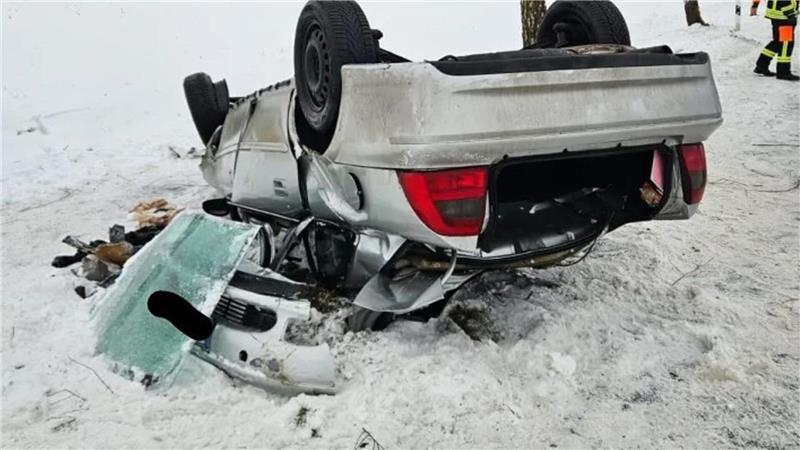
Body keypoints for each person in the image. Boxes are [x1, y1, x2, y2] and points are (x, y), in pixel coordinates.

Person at [752, 0, 799, 81]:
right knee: (785, 43)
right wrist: (790, 14)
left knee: (777, 42)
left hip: (778, 14)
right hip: (783, 16)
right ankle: (783, 72)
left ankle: (761, 65)